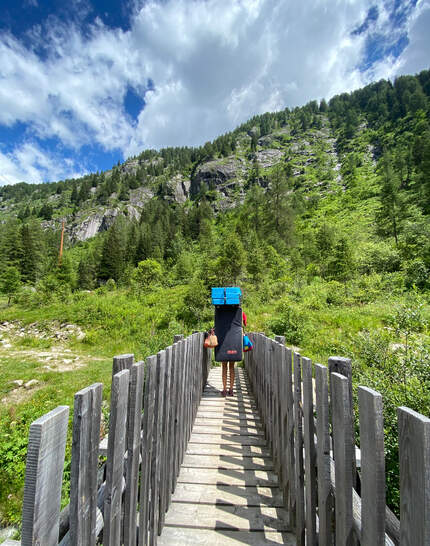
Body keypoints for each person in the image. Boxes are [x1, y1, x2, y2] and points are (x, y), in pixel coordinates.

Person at [221, 311, 247, 397]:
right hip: (234, 339)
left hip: (223, 339)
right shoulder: (240, 312)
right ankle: (231, 389)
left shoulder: (221, 311)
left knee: (224, 366)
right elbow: (244, 324)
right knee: (231, 367)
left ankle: (224, 389)